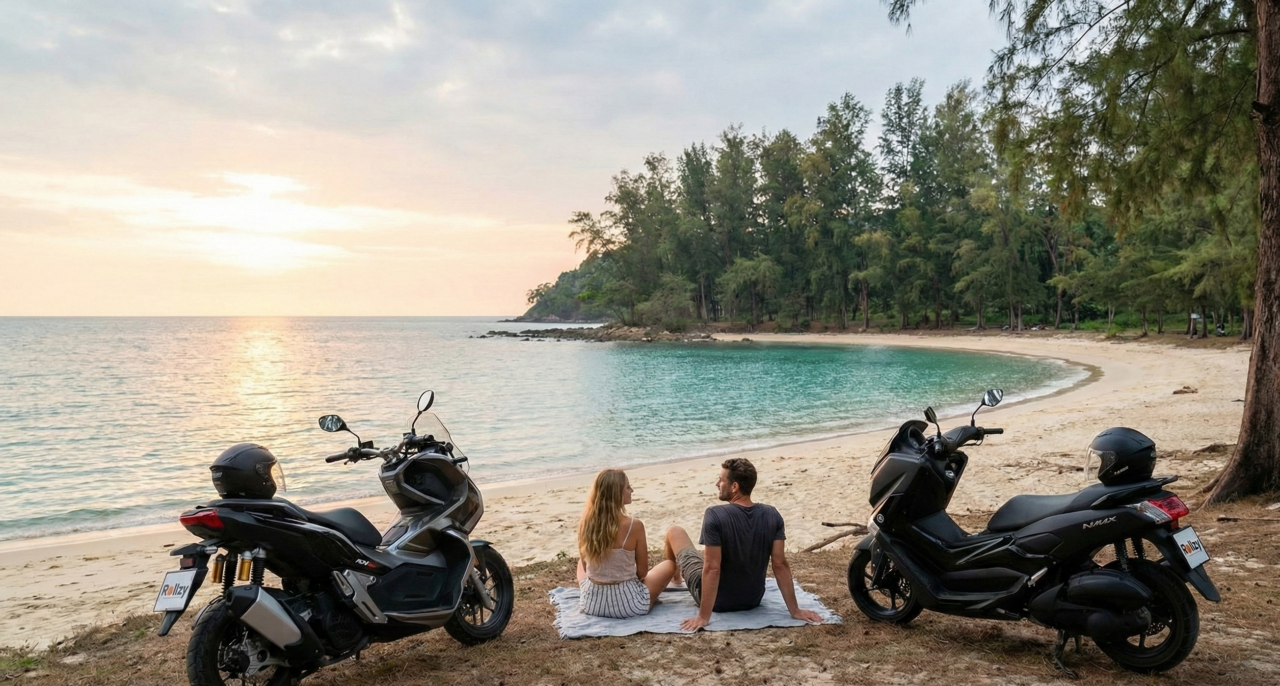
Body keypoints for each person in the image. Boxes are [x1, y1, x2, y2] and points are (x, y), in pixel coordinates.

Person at [664, 457, 823, 631]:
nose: (717, 484)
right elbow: (780, 564)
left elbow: (712, 569)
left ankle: (676, 578)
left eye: (721, 480)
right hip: (752, 600)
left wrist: (703, 617)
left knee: (674, 531)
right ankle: (676, 578)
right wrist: (795, 610)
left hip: (718, 602)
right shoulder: (772, 514)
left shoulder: (714, 514)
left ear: (734, 487)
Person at [576, 469, 677, 618]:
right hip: (628, 605)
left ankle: (594, 590)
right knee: (670, 565)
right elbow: (642, 573)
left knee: (581, 562)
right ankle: (677, 579)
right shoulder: (634, 525)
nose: (632, 491)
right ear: (617, 493)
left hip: (592, 604)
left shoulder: (585, 523)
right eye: (628, 487)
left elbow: (586, 568)